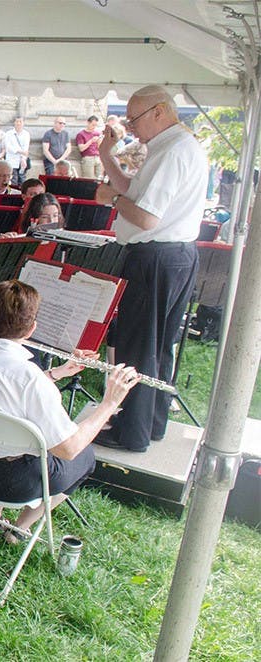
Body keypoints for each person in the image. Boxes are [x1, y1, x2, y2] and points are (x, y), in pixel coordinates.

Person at [0, 280, 138, 544]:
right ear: (32, 328)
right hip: (10, 484)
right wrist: (108, 403)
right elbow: (69, 449)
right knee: (85, 457)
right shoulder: (30, 380)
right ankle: (18, 529)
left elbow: (6, 390)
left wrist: (59, 373)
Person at [93, 84, 206, 453]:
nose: (131, 127)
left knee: (138, 347)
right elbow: (134, 190)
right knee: (157, 346)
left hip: (156, 256)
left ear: (160, 111)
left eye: (135, 118)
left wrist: (112, 198)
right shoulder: (170, 147)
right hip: (173, 256)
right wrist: (108, 156)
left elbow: (143, 216)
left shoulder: (173, 151)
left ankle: (132, 432)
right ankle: (151, 425)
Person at [4, 117, 31, 187]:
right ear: (14, 123)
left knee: (22, 180)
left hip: (22, 161)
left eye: (20, 122)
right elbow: (8, 147)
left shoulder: (26, 134)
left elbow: (26, 147)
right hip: (12, 160)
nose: (18, 123)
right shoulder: (8, 134)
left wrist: (23, 158)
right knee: (13, 180)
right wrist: (20, 151)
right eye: (17, 121)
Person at [76, 115, 103, 179]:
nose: (94, 127)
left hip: (97, 157)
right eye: (93, 125)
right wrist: (91, 141)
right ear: (88, 123)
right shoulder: (81, 134)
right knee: (89, 179)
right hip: (88, 158)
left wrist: (100, 141)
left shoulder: (97, 133)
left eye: (96, 125)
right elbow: (81, 149)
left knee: (99, 179)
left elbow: (100, 148)